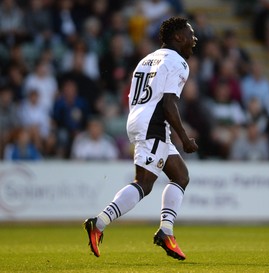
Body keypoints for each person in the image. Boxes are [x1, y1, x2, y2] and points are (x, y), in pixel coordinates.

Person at [83, 17, 198, 261]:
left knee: (181, 176)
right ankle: (99, 222)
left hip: (141, 119)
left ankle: (166, 231)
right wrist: (185, 138)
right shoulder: (178, 62)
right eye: (190, 33)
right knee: (144, 183)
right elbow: (168, 103)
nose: (194, 38)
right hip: (153, 124)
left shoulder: (147, 59)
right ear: (178, 37)